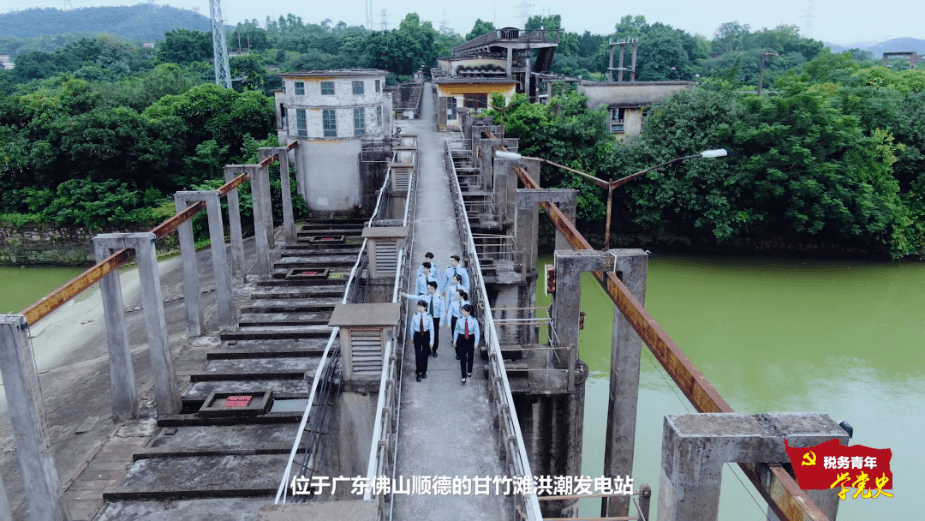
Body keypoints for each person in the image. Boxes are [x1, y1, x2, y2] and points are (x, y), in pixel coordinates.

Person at [401, 281, 445, 357]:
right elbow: (416, 297)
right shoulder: (425, 297)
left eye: (428, 288)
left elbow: (442, 310)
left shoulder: (439, 298)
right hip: (426, 318)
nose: (427, 289)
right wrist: (406, 295)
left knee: (435, 334)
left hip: (435, 318)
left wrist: (441, 321)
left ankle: (434, 350)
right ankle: (427, 349)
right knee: (426, 334)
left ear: (433, 288)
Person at [452, 303, 480, 384]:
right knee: (463, 357)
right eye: (462, 310)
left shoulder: (474, 320)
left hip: (470, 338)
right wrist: (455, 340)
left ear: (469, 312)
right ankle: (463, 376)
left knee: (470, 356)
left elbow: (476, 332)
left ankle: (469, 370)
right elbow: (456, 330)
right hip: (462, 338)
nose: (462, 312)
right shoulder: (459, 319)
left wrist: (476, 342)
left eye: (464, 311)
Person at [408, 300, 433, 382]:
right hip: (417, 335)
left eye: (421, 306)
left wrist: (431, 340)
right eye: (418, 306)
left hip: (426, 335)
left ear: (425, 307)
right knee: (418, 354)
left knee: (425, 355)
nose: (419, 308)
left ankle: (424, 372)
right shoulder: (415, 316)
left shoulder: (429, 316)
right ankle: (418, 372)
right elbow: (412, 327)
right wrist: (412, 337)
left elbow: (431, 329)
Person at [444, 289, 469, 359]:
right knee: (456, 337)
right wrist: (449, 322)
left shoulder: (466, 303)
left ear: (461, 296)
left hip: (463, 321)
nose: (455, 296)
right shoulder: (453, 303)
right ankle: (458, 353)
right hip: (455, 320)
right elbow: (450, 313)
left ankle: (464, 353)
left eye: (457, 295)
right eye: (455, 294)